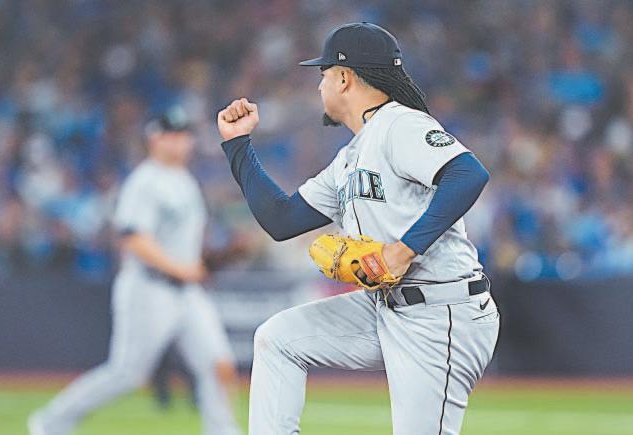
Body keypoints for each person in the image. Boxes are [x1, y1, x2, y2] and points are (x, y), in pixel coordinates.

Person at [217, 23, 499, 435]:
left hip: (442, 311)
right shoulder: (350, 156)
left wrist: (402, 250)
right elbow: (282, 219)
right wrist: (238, 145)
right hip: (387, 307)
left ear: (345, 78)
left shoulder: (400, 124)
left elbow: (468, 174)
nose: (320, 86)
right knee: (278, 338)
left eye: (324, 74)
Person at [29, 107, 241, 435]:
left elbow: (183, 243)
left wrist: (208, 261)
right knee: (127, 373)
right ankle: (51, 422)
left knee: (218, 364)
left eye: (184, 135)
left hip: (187, 292)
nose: (180, 141)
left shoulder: (185, 181)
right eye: (172, 135)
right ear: (154, 139)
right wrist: (183, 269)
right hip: (148, 287)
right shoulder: (145, 181)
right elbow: (133, 238)